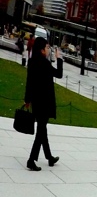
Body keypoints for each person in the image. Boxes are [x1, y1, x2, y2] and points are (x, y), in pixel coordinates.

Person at [23, 37, 62, 171]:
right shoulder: (45, 64)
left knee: (42, 130)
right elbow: (59, 74)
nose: (48, 49)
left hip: (36, 101)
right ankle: (31, 159)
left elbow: (29, 82)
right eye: (46, 48)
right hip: (45, 102)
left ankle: (49, 157)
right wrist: (59, 59)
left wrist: (27, 100)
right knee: (40, 132)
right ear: (41, 50)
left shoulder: (32, 62)